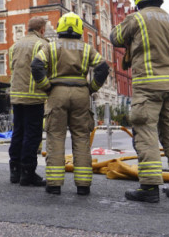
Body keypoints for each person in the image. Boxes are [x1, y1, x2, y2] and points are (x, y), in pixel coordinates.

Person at [110, 0, 169, 203]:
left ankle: (149, 187)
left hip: (148, 84)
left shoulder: (137, 18)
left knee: (146, 133)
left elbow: (114, 37)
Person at [31, 12, 109, 196]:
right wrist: (91, 88)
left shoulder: (52, 47)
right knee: (81, 138)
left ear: (60, 28)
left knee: (56, 138)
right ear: (79, 29)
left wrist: (47, 87)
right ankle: (83, 186)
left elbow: (36, 65)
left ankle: (54, 185)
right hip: (81, 93)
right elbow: (103, 67)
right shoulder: (87, 48)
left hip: (57, 93)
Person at [8, 16, 50, 186]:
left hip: (16, 96)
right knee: (32, 136)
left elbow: (13, 68)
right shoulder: (42, 45)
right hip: (34, 98)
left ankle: (15, 172)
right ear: (41, 29)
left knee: (17, 133)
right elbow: (45, 69)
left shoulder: (15, 45)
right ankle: (28, 173)